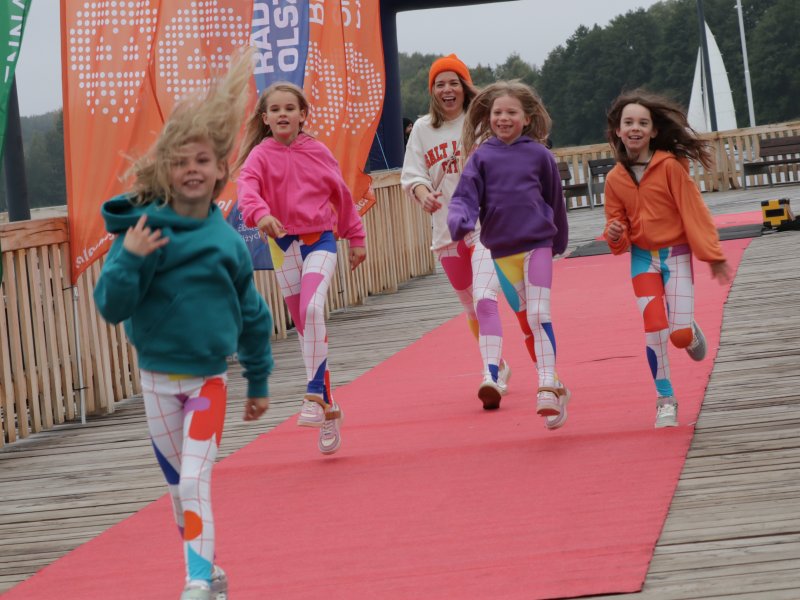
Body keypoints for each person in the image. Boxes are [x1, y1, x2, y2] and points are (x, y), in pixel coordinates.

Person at [93, 49, 274, 600]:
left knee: (194, 479)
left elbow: (252, 314)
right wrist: (131, 258)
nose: (192, 169)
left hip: (207, 382)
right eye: (180, 161)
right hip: (155, 381)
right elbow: (111, 306)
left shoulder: (226, 242)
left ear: (221, 170)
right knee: (177, 489)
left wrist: (258, 381)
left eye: (203, 160)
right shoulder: (144, 231)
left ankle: (195, 581)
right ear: (164, 171)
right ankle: (211, 573)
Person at [235, 82, 367, 456]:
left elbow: (342, 195)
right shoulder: (260, 155)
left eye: (290, 108)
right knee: (305, 328)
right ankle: (327, 409)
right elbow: (246, 191)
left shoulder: (317, 151)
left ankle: (312, 393)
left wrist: (356, 236)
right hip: (282, 249)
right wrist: (260, 214)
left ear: (303, 115)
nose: (283, 114)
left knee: (312, 310)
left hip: (319, 240)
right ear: (265, 118)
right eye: (275, 109)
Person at [602, 89, 732, 428]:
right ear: (618, 130)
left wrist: (712, 254)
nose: (635, 128)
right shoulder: (615, 179)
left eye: (642, 123)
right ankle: (665, 399)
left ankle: (688, 329)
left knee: (679, 337)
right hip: (642, 259)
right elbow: (616, 227)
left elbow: (694, 211)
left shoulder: (671, 167)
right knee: (654, 328)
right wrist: (614, 234)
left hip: (676, 256)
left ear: (653, 131)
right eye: (628, 122)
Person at [448, 80, 571, 430]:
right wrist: (459, 219)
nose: (503, 118)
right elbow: (464, 197)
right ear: (489, 118)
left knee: (539, 313)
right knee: (526, 322)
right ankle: (556, 384)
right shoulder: (481, 157)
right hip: (502, 251)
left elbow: (554, 200)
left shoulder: (540, 155)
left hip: (538, 245)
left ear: (527, 118)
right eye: (497, 113)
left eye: (511, 113)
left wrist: (559, 241)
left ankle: (546, 385)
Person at [401, 53, 516, 411]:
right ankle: (499, 362)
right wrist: (424, 194)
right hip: (446, 229)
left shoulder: (482, 121)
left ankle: (491, 374)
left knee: (484, 297)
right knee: (470, 306)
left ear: (465, 87)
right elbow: (412, 175)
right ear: (432, 91)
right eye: (440, 84)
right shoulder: (423, 129)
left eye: (454, 82)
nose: (447, 89)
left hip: (485, 225)